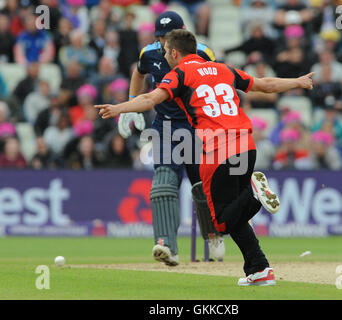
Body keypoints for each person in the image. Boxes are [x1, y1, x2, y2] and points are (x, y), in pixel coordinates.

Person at [95, 29, 314, 286]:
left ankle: (254, 194)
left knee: (219, 222)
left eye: (166, 52)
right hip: (246, 144)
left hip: (219, 150)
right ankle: (259, 269)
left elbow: (151, 98)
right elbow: (265, 85)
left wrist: (118, 107)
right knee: (235, 215)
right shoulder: (222, 68)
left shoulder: (179, 74)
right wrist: (298, 82)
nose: (165, 56)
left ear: (175, 53)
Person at [117, 11, 223, 266]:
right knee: (164, 182)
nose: (165, 43)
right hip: (165, 127)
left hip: (197, 127)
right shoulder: (150, 53)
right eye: (161, 37)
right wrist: (132, 104)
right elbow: (138, 73)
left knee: (202, 187)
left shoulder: (203, 53)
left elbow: (216, 82)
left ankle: (213, 235)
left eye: (169, 37)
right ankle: (167, 245)